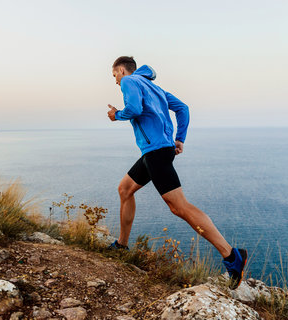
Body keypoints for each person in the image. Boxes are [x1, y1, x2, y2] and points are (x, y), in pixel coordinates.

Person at [106, 56, 247, 289]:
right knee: (125, 189)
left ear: (122, 70)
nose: (116, 82)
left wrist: (116, 115)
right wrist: (179, 138)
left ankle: (232, 256)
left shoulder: (130, 82)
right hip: (158, 151)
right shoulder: (155, 87)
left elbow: (134, 109)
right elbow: (183, 108)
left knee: (179, 207)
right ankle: (121, 245)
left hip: (156, 153)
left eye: (115, 76)